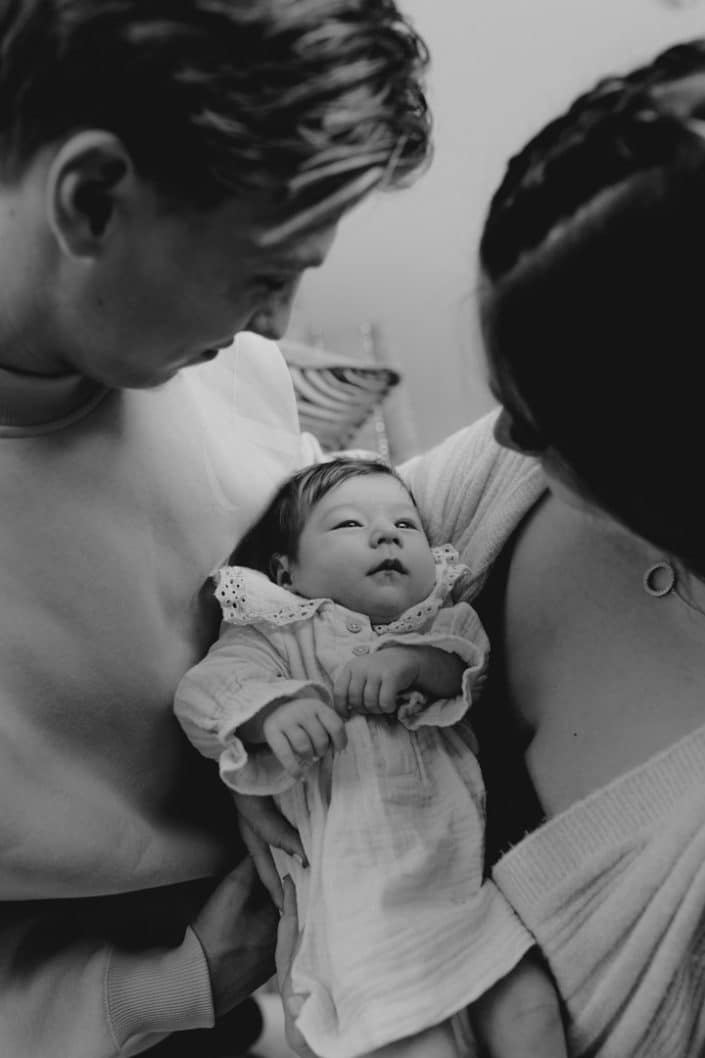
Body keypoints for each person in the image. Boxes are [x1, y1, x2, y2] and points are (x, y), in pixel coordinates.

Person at [243, 36, 705, 1058]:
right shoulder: (508, 482)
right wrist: (258, 744)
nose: (501, 436)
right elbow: (307, 569)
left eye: (543, 412)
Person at [0, 2, 432, 1056]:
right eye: (263, 268)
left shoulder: (230, 369)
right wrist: (152, 993)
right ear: (93, 198)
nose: (280, 323)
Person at [174, 457, 567, 1058]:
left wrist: (412, 662)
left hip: (462, 890)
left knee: (532, 1010)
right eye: (349, 524)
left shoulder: (441, 622)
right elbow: (203, 695)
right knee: (420, 1044)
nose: (385, 535)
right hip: (358, 915)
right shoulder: (275, 635)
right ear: (288, 571)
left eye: (406, 526)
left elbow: (469, 668)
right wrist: (270, 713)